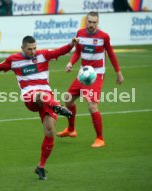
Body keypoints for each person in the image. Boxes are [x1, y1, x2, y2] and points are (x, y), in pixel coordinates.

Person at [0, 36, 79, 180]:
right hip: (31, 97)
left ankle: (41, 167)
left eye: (35, 48)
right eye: (29, 49)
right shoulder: (14, 60)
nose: (33, 51)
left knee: (50, 131)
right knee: (39, 95)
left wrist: (71, 44)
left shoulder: (43, 55)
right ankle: (59, 107)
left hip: (47, 98)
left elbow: (60, 51)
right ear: (22, 48)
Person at [57, 12, 124, 148]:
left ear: (97, 23)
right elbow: (77, 52)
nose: (92, 25)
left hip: (96, 74)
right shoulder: (80, 33)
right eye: (90, 22)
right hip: (83, 72)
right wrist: (70, 63)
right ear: (85, 21)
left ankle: (100, 138)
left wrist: (118, 73)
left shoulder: (104, 37)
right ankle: (71, 130)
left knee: (92, 105)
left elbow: (110, 53)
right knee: (68, 99)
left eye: (94, 22)